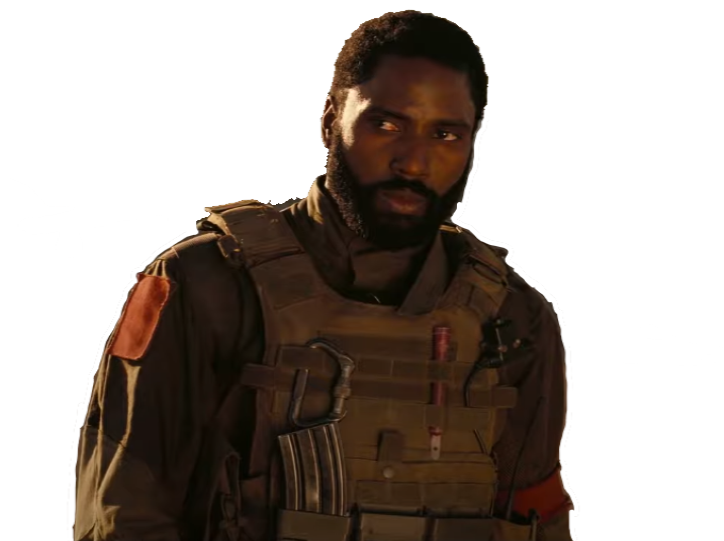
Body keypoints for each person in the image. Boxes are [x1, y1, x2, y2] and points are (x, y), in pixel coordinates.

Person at [74, 10, 574, 541]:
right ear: (330, 119)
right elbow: (124, 511)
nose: (413, 162)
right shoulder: (206, 284)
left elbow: (536, 517)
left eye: (446, 134)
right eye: (386, 125)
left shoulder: (514, 317)